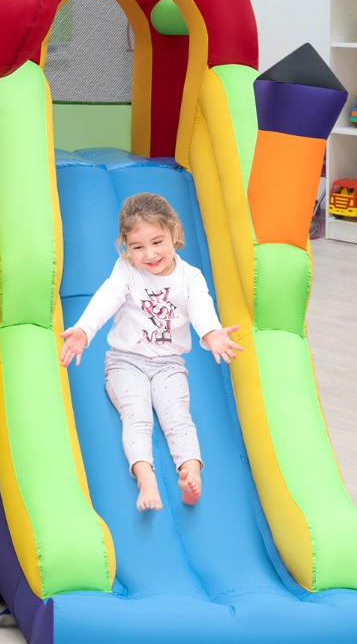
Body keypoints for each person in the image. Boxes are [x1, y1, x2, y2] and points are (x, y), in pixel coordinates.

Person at [59, 191, 241, 511]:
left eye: (157, 242)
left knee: (178, 416)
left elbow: (200, 307)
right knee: (137, 414)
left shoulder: (190, 277)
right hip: (125, 363)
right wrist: (84, 331)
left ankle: (191, 472)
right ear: (125, 247)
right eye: (138, 247)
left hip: (169, 365)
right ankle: (146, 478)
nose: (150, 254)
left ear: (174, 232)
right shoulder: (126, 270)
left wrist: (212, 333)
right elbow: (107, 298)